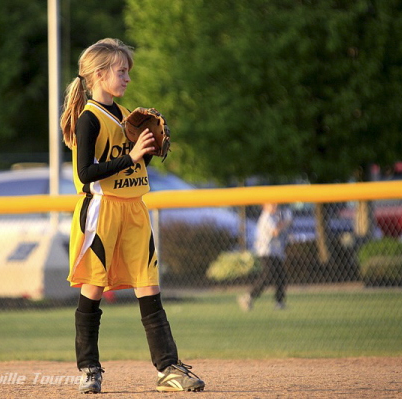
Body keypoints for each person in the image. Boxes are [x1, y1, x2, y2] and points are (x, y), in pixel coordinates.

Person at [60, 38, 205, 394]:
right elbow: (86, 173)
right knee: (93, 288)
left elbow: (137, 163)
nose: (126, 78)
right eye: (120, 71)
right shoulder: (89, 120)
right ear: (98, 75)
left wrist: (149, 148)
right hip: (102, 209)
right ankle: (89, 369)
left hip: (135, 208)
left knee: (149, 286)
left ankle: (168, 368)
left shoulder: (126, 116)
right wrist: (132, 154)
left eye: (127, 72)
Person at [238, 202, 292, 311]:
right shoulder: (266, 217)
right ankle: (248, 297)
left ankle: (279, 302)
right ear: (264, 206)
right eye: (271, 204)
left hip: (276, 252)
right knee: (268, 275)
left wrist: (284, 221)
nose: (275, 206)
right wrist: (286, 222)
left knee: (281, 277)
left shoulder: (274, 216)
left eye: (275, 204)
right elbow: (275, 232)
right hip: (266, 252)